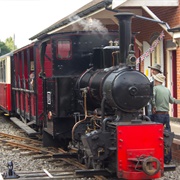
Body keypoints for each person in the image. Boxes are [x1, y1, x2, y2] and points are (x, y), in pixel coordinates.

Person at [151, 73, 180, 164]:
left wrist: (154, 106)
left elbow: (152, 99)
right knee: (167, 136)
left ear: (157, 81)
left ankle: (157, 157)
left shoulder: (155, 89)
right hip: (166, 116)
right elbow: (172, 100)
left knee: (156, 136)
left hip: (158, 115)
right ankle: (168, 158)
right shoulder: (167, 90)